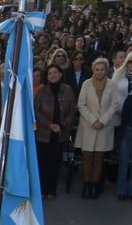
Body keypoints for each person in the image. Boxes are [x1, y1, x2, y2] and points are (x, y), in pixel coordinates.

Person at [75, 57, 120, 199]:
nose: (99, 72)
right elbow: (81, 104)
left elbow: (114, 105)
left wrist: (102, 121)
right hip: (88, 125)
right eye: (97, 69)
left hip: (104, 127)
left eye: (102, 69)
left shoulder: (112, 85)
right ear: (93, 70)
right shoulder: (86, 84)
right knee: (87, 157)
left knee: (99, 158)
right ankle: (86, 185)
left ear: (106, 70)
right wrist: (93, 120)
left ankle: (95, 185)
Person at [34, 64, 77, 200]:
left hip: (60, 133)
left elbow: (72, 110)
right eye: (50, 73)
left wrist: (62, 125)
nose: (53, 75)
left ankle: (51, 190)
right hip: (43, 133)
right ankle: (41, 189)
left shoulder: (68, 90)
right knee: (42, 163)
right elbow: (37, 111)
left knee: (55, 163)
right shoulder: (41, 91)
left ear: (60, 74)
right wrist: (49, 124)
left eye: (55, 72)